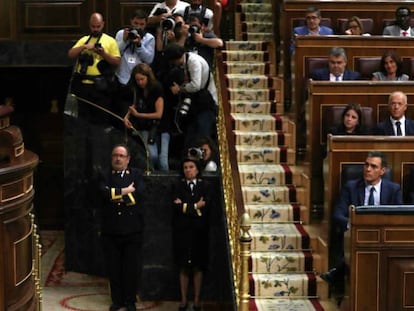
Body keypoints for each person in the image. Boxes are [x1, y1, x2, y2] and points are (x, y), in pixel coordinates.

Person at [322, 151, 402, 296]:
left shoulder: (393, 189)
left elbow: (399, 217)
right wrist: (351, 226)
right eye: (366, 165)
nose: (368, 169)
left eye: (373, 166)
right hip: (355, 234)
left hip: (382, 237)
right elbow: (338, 214)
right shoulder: (351, 187)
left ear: (382, 171)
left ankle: (337, 273)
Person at [98, 144, 145, 311]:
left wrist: (115, 195)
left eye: (121, 156)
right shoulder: (104, 174)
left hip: (132, 229)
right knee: (114, 268)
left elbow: (138, 195)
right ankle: (116, 300)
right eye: (115, 155)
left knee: (130, 269)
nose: (118, 159)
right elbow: (102, 193)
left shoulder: (136, 174)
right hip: (111, 229)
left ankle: (129, 300)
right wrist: (125, 190)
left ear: (128, 159)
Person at [172, 158, 212, 311]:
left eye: (191, 167)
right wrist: (196, 206)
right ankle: (183, 300)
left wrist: (185, 207)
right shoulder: (178, 186)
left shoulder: (205, 186)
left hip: (199, 231)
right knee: (183, 266)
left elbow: (206, 207)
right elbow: (176, 208)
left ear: (197, 169)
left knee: (197, 266)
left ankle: (196, 300)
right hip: (182, 231)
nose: (188, 170)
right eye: (185, 167)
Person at [68, 12, 121, 125]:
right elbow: (71, 54)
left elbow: (117, 62)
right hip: (82, 85)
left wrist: (103, 54)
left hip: (100, 86)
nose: (95, 29)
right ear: (89, 25)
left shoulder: (110, 41)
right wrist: (83, 47)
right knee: (82, 119)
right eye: (93, 26)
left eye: (98, 26)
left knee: (100, 120)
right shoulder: (84, 39)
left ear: (103, 24)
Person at [164, 43, 218, 148]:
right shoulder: (185, 63)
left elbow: (196, 85)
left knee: (202, 137)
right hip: (195, 104)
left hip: (206, 103)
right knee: (190, 138)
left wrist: (180, 89)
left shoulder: (193, 62)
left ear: (175, 59)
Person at [123, 63, 170, 171]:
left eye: (142, 79)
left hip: (161, 126)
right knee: (151, 156)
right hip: (145, 126)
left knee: (163, 161)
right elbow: (135, 104)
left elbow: (159, 114)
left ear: (148, 77)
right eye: (137, 80)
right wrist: (127, 117)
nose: (140, 82)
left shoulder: (157, 88)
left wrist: (138, 115)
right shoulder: (137, 88)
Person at [114, 10, 155, 117]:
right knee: (121, 110)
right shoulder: (121, 34)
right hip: (122, 78)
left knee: (137, 111)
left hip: (139, 82)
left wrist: (139, 45)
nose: (138, 27)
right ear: (131, 21)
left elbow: (149, 59)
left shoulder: (149, 38)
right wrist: (124, 41)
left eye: (141, 24)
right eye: (136, 23)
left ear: (146, 24)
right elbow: (115, 54)